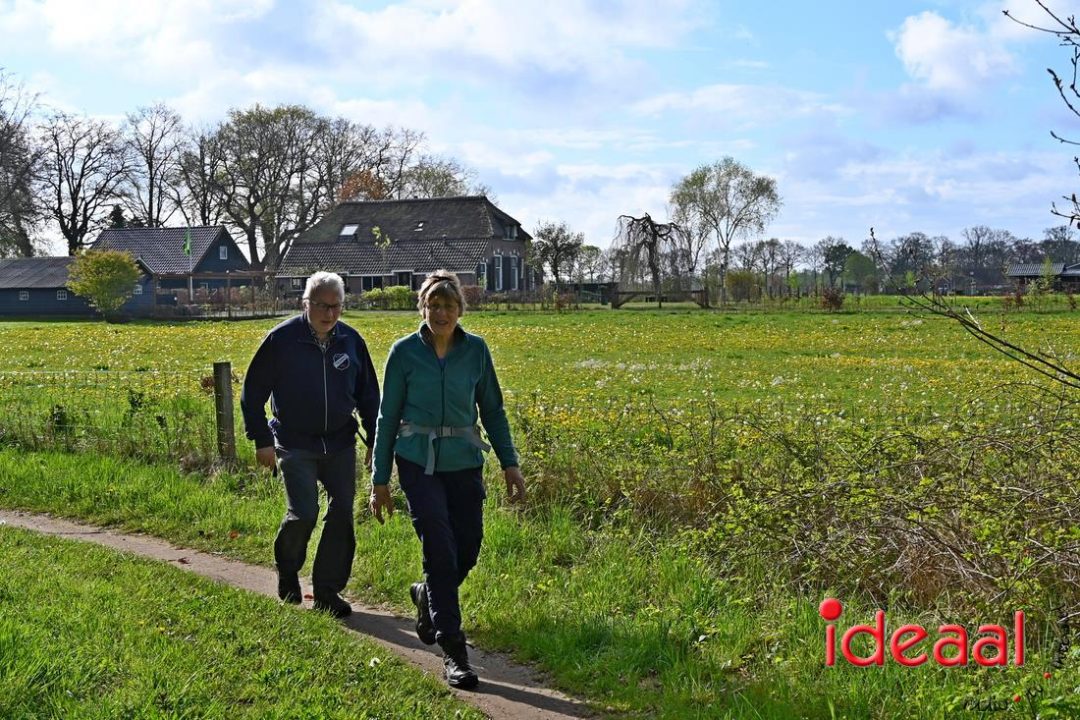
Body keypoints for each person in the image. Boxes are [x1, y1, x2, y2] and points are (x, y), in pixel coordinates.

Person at [369, 270, 525, 689]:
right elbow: (387, 418)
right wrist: (379, 480)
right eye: (433, 305)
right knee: (439, 547)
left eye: (448, 305)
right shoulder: (403, 353)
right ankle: (454, 650)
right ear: (423, 307)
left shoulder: (476, 351)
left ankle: (428, 594)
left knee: (468, 546)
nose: (441, 312)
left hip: (464, 460)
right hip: (417, 462)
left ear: (460, 310)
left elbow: (492, 410)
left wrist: (510, 463)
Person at [240, 271, 380, 619]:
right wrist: (262, 440)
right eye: (321, 305)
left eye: (336, 306)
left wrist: (375, 440)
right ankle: (288, 570)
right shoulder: (281, 340)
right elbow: (252, 394)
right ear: (306, 303)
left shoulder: (351, 341)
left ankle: (327, 591)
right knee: (304, 513)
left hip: (341, 443)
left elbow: (368, 395)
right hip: (294, 443)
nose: (329, 314)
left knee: (342, 513)